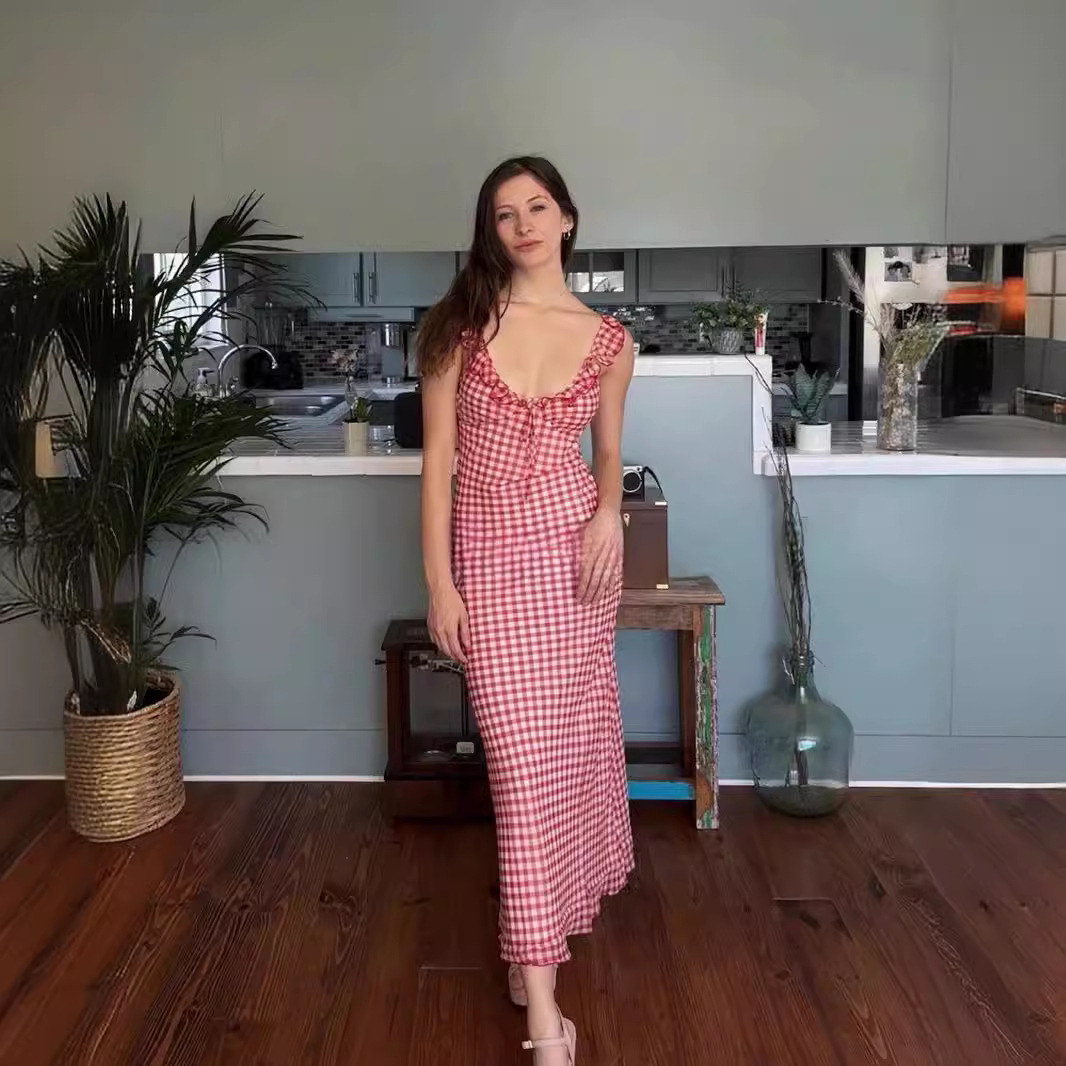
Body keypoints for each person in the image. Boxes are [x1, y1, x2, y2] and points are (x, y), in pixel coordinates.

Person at [417, 155, 636, 1065]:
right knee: (515, 764)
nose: (524, 226)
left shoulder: (610, 341)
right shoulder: (457, 329)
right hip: (489, 561)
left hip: (574, 562)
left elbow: (609, 454)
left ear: (567, 218)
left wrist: (610, 512)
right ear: (491, 231)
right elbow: (437, 464)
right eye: (505, 214)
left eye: (538, 207)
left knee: (560, 760)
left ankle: (534, 967)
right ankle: (547, 1023)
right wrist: (439, 583)